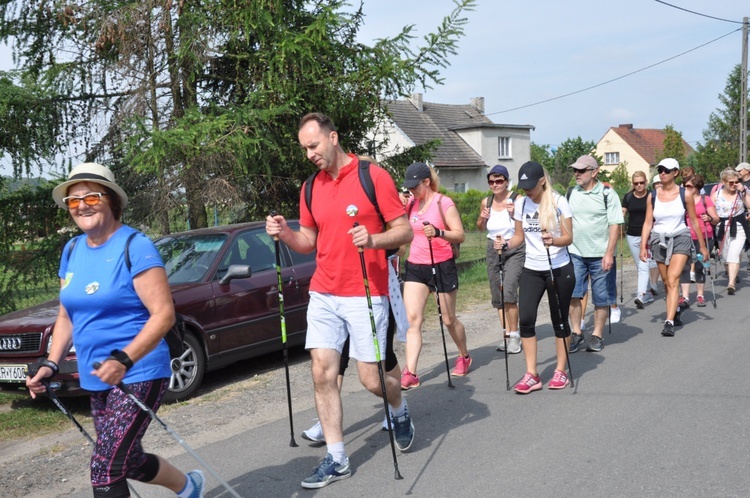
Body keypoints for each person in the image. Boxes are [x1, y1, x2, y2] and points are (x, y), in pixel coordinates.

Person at [26, 163, 204, 498]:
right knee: (128, 460)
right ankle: (188, 486)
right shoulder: (73, 250)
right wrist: (50, 363)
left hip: (139, 371)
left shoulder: (135, 246)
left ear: (111, 200)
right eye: (73, 201)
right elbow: (67, 316)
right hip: (97, 375)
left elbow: (163, 315)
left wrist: (124, 358)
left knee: (105, 469)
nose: (82, 206)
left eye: (91, 197)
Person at [266, 113, 414, 489]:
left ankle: (398, 407)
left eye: (313, 146)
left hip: (366, 289)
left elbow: (405, 229)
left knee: (372, 380)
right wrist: (285, 234)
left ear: (333, 138)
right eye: (304, 149)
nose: (309, 154)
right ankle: (337, 458)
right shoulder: (310, 188)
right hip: (325, 291)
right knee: (321, 372)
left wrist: (374, 239)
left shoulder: (372, 176)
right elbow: (309, 242)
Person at [302, 250, 408, 441]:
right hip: (335, 293)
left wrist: (375, 243)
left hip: (375, 288)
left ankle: (394, 408)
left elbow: (400, 248)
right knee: (335, 360)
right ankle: (326, 422)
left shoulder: (376, 219)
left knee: (383, 359)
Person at [500, 161, 574, 394]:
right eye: (523, 186)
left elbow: (569, 237)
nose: (526, 190)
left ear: (542, 180)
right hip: (532, 269)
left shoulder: (559, 202)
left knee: (559, 321)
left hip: (559, 268)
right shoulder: (521, 203)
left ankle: (560, 370)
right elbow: (519, 236)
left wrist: (554, 240)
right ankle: (532, 374)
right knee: (526, 320)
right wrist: (505, 244)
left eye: (530, 185)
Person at [401, 162, 469, 389]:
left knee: (448, 319)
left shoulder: (443, 203)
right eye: (408, 187)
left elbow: (460, 235)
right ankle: (410, 372)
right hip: (415, 267)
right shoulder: (411, 204)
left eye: (414, 186)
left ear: (426, 182)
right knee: (413, 320)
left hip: (441, 265)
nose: (411, 191)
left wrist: (439, 233)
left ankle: (463, 355)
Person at [640, 158, 709, 337]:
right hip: (658, 239)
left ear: (675, 173)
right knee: (666, 282)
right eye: (660, 169)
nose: (662, 173)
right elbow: (648, 222)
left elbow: (694, 220)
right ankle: (676, 310)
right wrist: (643, 246)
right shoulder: (652, 195)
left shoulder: (684, 194)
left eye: (666, 170)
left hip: (680, 237)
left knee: (672, 278)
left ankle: (669, 321)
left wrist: (702, 246)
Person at [566, 155, 623, 354]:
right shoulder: (572, 192)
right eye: (575, 170)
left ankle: (597, 334)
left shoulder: (608, 194)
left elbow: (614, 225)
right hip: (575, 253)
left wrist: (609, 253)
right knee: (573, 294)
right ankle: (576, 332)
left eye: (581, 171)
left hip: (600, 255)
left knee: (601, 296)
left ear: (594, 172)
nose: (577, 174)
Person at [476, 164, 525, 354]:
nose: (495, 184)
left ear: (506, 181)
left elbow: (526, 226)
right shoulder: (486, 202)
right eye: (491, 181)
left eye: (499, 181)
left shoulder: (517, 200)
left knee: (509, 291)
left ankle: (515, 337)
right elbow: (480, 228)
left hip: (514, 247)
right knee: (497, 295)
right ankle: (506, 334)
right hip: (493, 248)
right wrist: (482, 218)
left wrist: (514, 214)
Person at [678, 175, 718, 307]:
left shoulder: (705, 200)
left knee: (700, 267)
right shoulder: (682, 200)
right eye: (685, 186)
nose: (686, 188)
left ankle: (700, 295)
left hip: (705, 236)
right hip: (685, 237)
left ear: (697, 187)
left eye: (690, 186)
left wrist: (709, 218)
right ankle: (685, 297)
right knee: (685, 267)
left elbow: (716, 219)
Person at [710, 167, 750, 295]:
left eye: (736, 182)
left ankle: (731, 283)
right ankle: (730, 271)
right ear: (723, 182)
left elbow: (749, 205)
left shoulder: (741, 192)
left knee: (734, 253)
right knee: (725, 255)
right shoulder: (716, 195)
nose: (734, 185)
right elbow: (709, 210)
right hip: (721, 226)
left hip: (738, 225)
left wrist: (743, 191)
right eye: (730, 182)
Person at [622, 171, 657, 308]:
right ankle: (648, 291)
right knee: (640, 264)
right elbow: (623, 211)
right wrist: (620, 217)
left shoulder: (651, 196)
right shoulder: (628, 197)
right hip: (632, 234)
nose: (639, 185)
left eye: (642, 183)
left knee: (644, 264)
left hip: (649, 234)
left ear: (646, 182)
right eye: (636, 183)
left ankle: (640, 295)